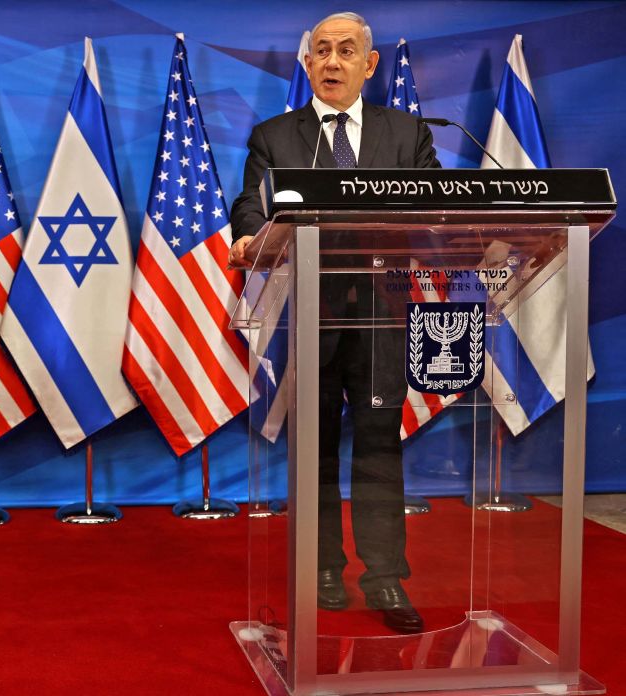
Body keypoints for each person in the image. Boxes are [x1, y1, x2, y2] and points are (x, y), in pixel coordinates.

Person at [228, 12, 441, 634]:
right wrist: (246, 236)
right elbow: (252, 204)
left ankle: (384, 579)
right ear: (306, 63)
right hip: (311, 310)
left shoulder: (407, 134)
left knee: (378, 445)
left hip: (381, 312)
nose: (332, 62)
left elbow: (433, 207)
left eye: (347, 51)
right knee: (314, 448)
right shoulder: (276, 136)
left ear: (368, 66)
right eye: (321, 51)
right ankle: (321, 568)